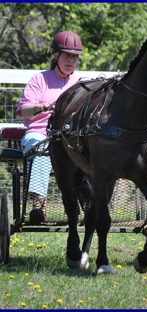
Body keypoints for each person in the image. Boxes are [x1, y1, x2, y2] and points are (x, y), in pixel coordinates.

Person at [16, 30, 83, 224]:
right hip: (40, 133)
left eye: (75, 56)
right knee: (41, 147)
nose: (71, 60)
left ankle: (86, 202)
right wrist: (39, 107)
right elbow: (25, 110)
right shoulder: (39, 79)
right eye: (67, 55)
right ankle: (38, 204)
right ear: (56, 55)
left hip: (69, 135)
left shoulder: (80, 83)